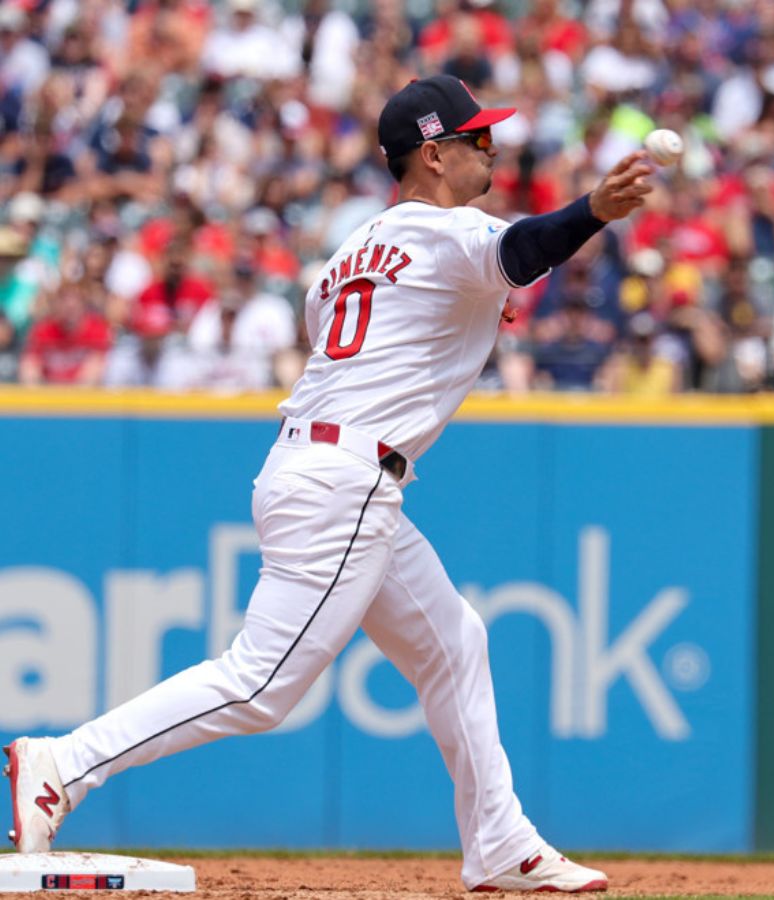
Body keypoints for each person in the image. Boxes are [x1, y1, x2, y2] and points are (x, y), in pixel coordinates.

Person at [5, 75, 653, 893]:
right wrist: (593, 208)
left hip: (315, 466)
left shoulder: (350, 253)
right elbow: (520, 252)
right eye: (476, 137)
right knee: (263, 684)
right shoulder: (446, 232)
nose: (492, 147)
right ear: (433, 153)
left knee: (456, 642)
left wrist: (476, 305)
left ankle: (502, 844)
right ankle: (64, 763)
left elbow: (355, 330)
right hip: (347, 479)